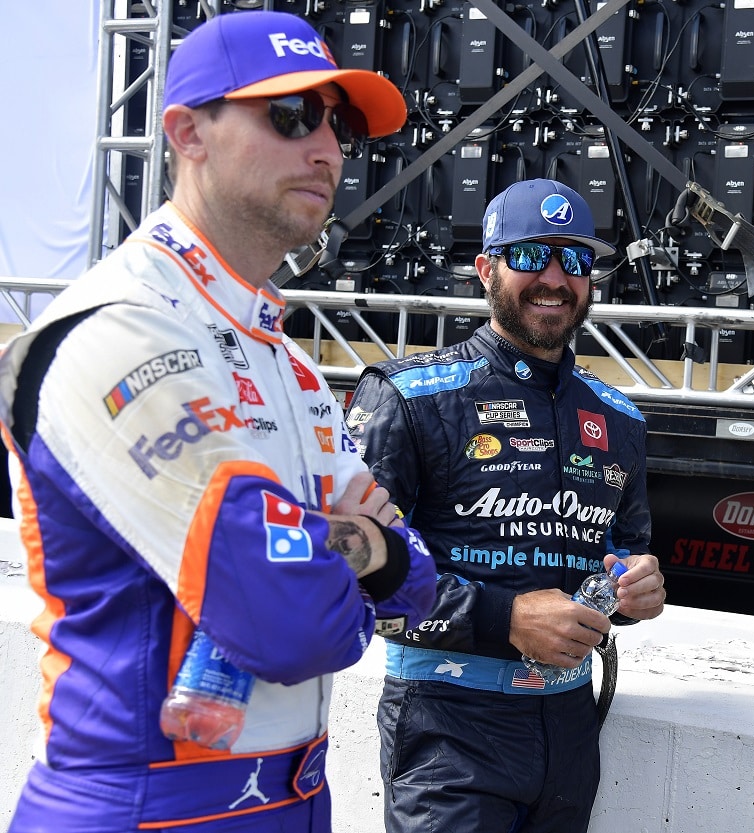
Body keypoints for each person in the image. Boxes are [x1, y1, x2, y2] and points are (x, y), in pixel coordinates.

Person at [0, 11, 437, 832]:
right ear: (186, 133)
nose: (328, 149)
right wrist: (362, 554)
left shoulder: (286, 358)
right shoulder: (115, 329)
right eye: (290, 115)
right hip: (146, 804)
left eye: (336, 122)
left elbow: (418, 576)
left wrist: (356, 551)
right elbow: (285, 617)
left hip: (297, 799)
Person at [347, 177, 667, 833]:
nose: (555, 278)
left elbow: (624, 556)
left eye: (575, 260)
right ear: (486, 269)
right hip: (448, 729)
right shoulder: (408, 395)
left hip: (569, 729)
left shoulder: (620, 417)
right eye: (531, 256)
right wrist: (507, 617)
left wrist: (639, 590)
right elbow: (352, 575)